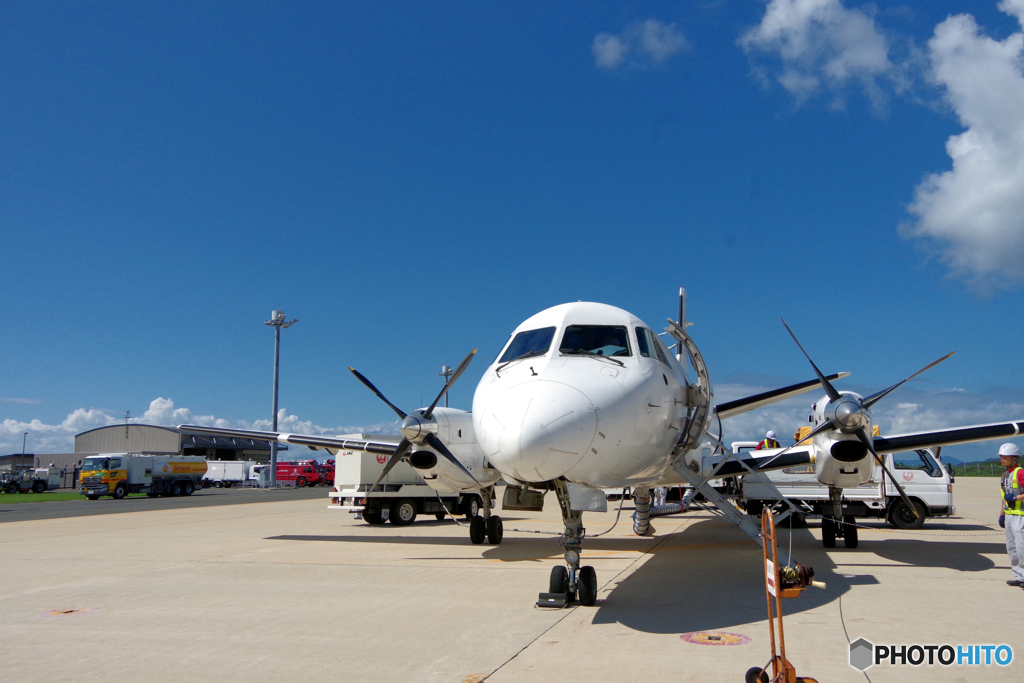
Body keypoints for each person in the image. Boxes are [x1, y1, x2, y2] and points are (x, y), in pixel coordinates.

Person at [998, 443, 1024, 587]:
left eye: (1005, 457)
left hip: (1021, 516)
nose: (1002, 459)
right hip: (1009, 516)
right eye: (1001, 456)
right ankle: (1019, 575)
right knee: (1012, 547)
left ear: (1014, 458)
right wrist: (1002, 514)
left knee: (1022, 547)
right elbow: (1003, 496)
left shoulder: (1020, 472)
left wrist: (1015, 498)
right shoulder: (1005, 475)